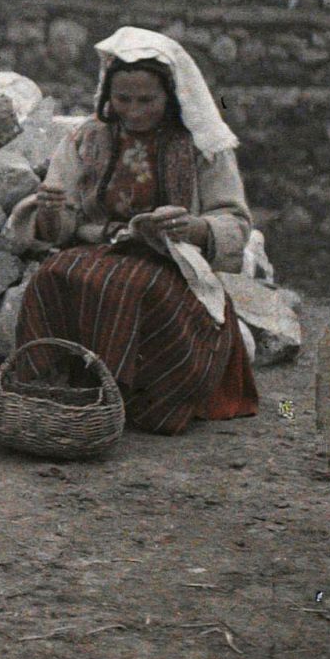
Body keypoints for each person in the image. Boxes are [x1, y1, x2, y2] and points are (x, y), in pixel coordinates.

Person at [14, 26, 258, 434]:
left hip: (173, 262)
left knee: (128, 286)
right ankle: (54, 391)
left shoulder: (202, 146)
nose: (134, 111)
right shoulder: (89, 138)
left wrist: (194, 226)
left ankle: (132, 401)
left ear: (172, 96)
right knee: (51, 276)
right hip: (100, 248)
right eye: (122, 99)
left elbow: (235, 220)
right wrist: (51, 210)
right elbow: (61, 228)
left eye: (147, 100)